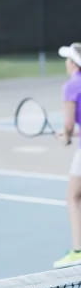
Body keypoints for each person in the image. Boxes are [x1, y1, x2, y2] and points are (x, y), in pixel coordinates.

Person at [54, 42, 81, 268]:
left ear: (73, 63)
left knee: (73, 196)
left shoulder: (71, 86)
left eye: (68, 58)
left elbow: (69, 126)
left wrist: (66, 136)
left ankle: (78, 251)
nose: (66, 62)